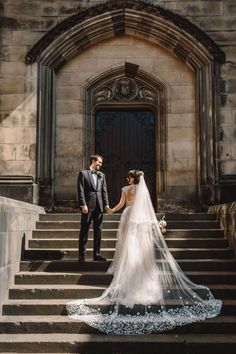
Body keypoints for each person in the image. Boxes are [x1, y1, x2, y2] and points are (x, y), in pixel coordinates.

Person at [68, 170, 222, 334]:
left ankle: (129, 278)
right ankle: (144, 279)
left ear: (131, 178)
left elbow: (122, 205)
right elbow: (148, 210)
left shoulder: (126, 189)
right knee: (141, 248)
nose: (127, 178)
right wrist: (157, 225)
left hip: (128, 216)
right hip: (140, 220)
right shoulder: (143, 190)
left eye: (128, 176)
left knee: (129, 245)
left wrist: (111, 210)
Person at [77, 154, 109, 262]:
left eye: (101, 163)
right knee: (84, 230)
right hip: (88, 206)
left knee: (98, 231)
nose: (100, 164)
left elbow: (104, 191)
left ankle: (97, 254)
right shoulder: (83, 173)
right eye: (99, 162)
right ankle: (82, 255)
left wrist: (106, 205)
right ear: (93, 161)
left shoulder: (102, 175)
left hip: (99, 206)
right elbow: (80, 190)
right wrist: (83, 204)